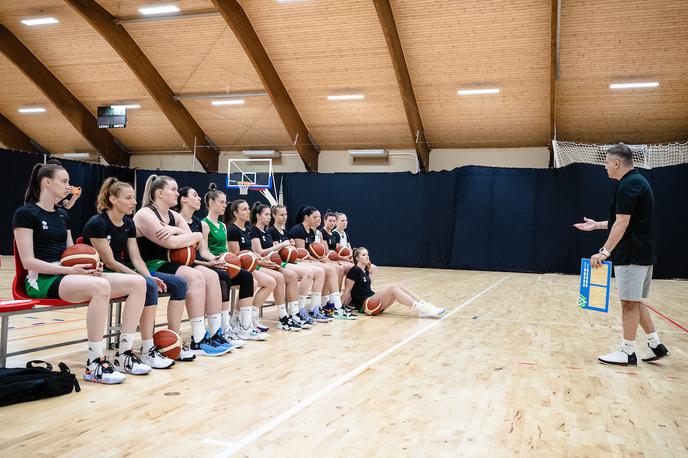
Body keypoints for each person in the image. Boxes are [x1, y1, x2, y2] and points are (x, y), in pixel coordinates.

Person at [13, 162, 126, 384]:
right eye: (64, 181)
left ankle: (125, 354)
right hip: (41, 279)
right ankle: (95, 363)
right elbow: (28, 262)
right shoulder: (25, 213)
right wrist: (68, 270)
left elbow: (71, 251)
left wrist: (91, 265)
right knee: (102, 287)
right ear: (47, 182)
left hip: (66, 273)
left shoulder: (63, 215)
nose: (68, 185)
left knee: (137, 283)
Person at [574, 142, 668, 366]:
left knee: (628, 303)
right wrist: (596, 225)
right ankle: (656, 344)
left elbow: (623, 223)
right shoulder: (635, 182)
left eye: (606, 163)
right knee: (633, 301)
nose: (605, 167)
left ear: (616, 163)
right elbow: (624, 221)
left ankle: (627, 351)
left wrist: (604, 252)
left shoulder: (629, 185)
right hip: (640, 252)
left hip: (632, 255)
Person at [83, 178, 175, 370]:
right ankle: (125, 352)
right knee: (144, 283)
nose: (134, 202)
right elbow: (109, 262)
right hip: (99, 273)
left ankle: (143, 348)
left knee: (149, 284)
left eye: (134, 197)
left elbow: (136, 258)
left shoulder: (128, 223)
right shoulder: (97, 223)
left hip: (120, 273)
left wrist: (148, 276)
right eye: (129, 197)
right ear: (113, 200)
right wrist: (140, 278)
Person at [134, 175, 231, 357]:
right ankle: (196, 338)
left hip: (169, 262)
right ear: (160, 193)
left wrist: (176, 229)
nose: (177, 193)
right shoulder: (145, 213)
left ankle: (213, 332)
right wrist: (181, 235)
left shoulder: (174, 216)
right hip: (148, 264)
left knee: (211, 275)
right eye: (173, 190)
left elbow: (195, 240)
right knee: (195, 276)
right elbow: (171, 243)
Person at [177, 185, 253, 347]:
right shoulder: (202, 224)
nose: (225, 205)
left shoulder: (217, 224)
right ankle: (221, 329)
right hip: (193, 264)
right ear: (211, 203)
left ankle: (243, 325)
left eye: (225, 202)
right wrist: (212, 262)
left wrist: (221, 260)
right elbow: (201, 252)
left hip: (209, 262)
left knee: (247, 276)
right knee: (222, 276)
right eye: (222, 202)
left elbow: (208, 251)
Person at [251, 202, 312, 331]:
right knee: (279, 278)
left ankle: (293, 313)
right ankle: (280, 317)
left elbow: (274, 252)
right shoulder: (254, 230)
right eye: (266, 214)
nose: (269, 217)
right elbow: (260, 252)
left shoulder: (267, 231)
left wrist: (290, 248)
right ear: (258, 216)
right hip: (260, 263)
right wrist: (281, 246)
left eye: (269, 214)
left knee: (292, 275)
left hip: (272, 262)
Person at [342, 247, 445, 318]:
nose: (367, 257)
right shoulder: (354, 270)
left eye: (367, 254)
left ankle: (424, 305)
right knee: (392, 287)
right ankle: (421, 308)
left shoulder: (366, 270)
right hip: (366, 305)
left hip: (372, 300)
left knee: (398, 284)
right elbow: (347, 291)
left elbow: (367, 287)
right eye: (364, 255)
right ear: (357, 258)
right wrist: (339, 308)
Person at [291, 206, 354, 320]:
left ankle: (327, 305)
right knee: (328, 269)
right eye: (315, 217)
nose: (318, 219)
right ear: (306, 217)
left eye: (319, 217)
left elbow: (315, 252)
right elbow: (302, 253)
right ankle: (325, 306)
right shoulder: (298, 230)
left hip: (309, 261)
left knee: (331, 268)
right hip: (300, 261)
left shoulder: (311, 231)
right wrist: (318, 260)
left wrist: (321, 259)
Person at [270, 205, 330, 323]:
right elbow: (276, 253)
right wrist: (285, 247)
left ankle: (314, 308)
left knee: (321, 271)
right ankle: (299, 309)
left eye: (285, 214)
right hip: (281, 263)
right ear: (274, 216)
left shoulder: (286, 232)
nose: (284, 217)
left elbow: (295, 253)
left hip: (291, 261)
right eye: (281, 215)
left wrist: (291, 248)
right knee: (308, 273)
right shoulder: (271, 231)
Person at [226, 199, 271, 340]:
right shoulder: (232, 229)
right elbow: (237, 256)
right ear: (235, 213)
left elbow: (250, 252)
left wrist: (260, 258)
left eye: (248, 208)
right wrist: (255, 260)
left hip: (251, 264)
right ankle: (239, 319)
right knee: (254, 282)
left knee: (270, 282)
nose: (248, 211)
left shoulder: (248, 230)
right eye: (244, 209)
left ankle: (246, 317)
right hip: (240, 266)